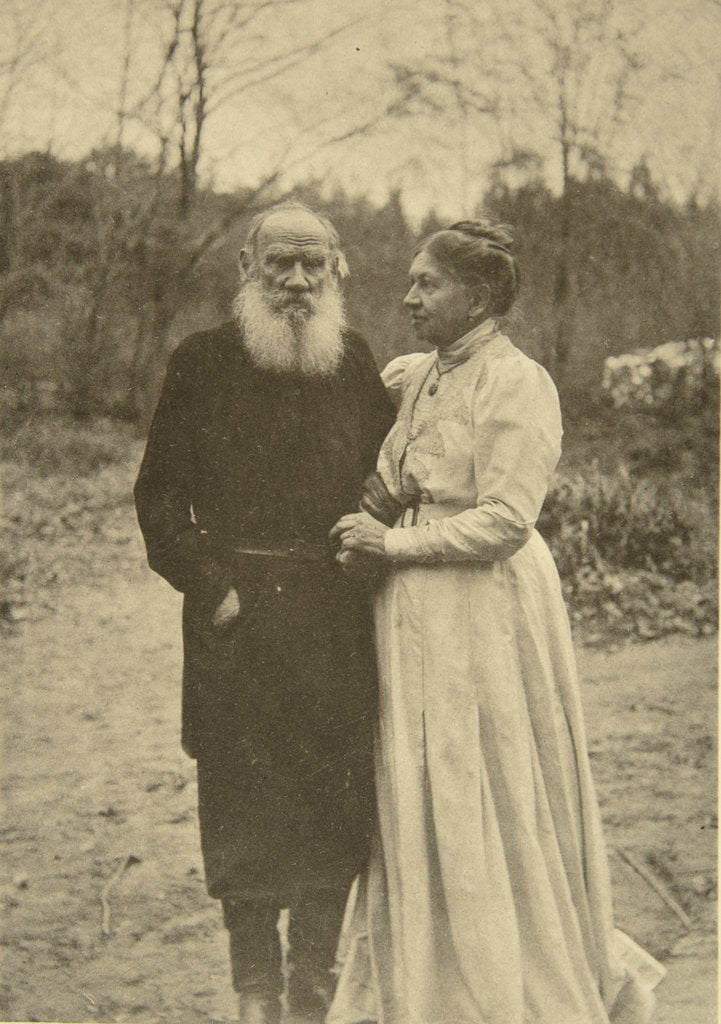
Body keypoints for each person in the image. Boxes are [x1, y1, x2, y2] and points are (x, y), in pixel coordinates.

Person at [329, 221, 664, 1024]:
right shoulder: (414, 377)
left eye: (426, 284)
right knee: (417, 775)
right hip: (406, 605)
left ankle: (504, 979)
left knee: (484, 772)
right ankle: (423, 979)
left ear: (477, 296)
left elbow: (507, 521)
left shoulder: (518, 383)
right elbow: (363, 451)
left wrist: (392, 541)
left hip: (483, 606)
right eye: (408, 281)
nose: (407, 297)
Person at [134, 201, 395, 1024]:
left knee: (334, 804)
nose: (294, 280)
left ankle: (311, 984)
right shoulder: (202, 361)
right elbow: (159, 498)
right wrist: (213, 588)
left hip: (334, 621)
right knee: (242, 812)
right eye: (278, 262)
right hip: (236, 621)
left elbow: (392, 479)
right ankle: (254, 992)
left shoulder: (353, 361)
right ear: (246, 267)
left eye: (311, 264)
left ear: (335, 269)